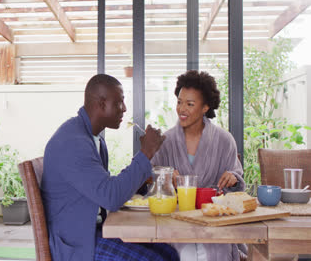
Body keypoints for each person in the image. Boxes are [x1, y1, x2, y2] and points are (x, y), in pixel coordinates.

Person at [41, 74, 179, 261]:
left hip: (92, 231)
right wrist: (146, 153)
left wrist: (141, 178)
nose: (124, 109)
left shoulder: (93, 139)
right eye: (119, 102)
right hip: (77, 245)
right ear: (101, 103)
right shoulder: (73, 142)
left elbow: (103, 189)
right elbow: (111, 197)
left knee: (169, 253)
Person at [150, 70, 246, 261]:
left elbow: (237, 184)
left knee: (214, 254)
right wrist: (165, 178)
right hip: (175, 223)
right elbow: (150, 179)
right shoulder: (166, 140)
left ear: (205, 107)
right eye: (179, 102)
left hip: (214, 224)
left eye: (190, 104)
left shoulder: (224, 140)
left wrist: (233, 178)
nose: (181, 109)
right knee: (181, 254)